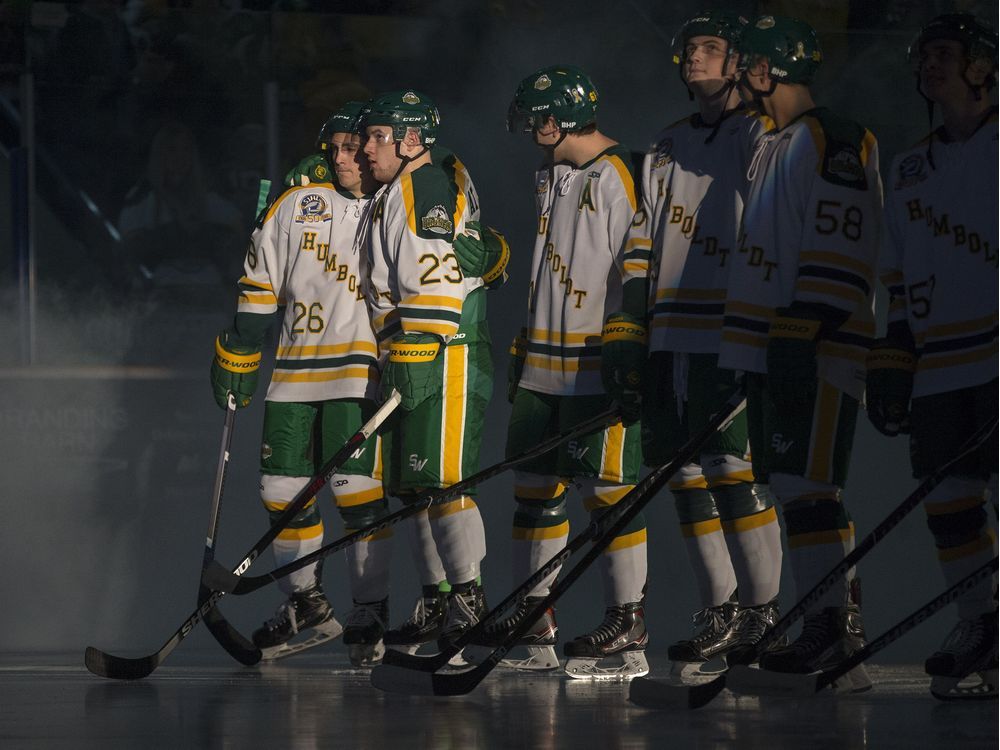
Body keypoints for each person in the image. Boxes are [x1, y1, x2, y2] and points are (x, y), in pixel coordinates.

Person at [619, 11, 785, 679]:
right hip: (671, 332)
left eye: (709, 48)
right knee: (682, 475)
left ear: (739, 59)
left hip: (730, 326)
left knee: (732, 471)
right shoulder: (665, 143)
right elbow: (640, 243)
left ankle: (763, 614)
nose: (694, 58)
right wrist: (631, 327)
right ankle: (721, 613)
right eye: (689, 48)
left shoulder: (761, 134)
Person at [721, 16, 882, 692]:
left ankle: (833, 628)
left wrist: (804, 325)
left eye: (747, 63)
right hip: (774, 347)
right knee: (793, 489)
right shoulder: (770, 142)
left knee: (811, 489)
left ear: (769, 68)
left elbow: (845, 239)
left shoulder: (833, 135)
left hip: (814, 344)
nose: (739, 76)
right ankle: (823, 619)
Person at [209, 101, 393, 665]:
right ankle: (307, 603)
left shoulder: (397, 202)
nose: (341, 158)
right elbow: (260, 281)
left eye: (351, 147)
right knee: (279, 491)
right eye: (332, 148)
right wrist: (239, 348)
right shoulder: (295, 201)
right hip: (293, 369)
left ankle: (371, 610)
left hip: (359, 369)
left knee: (356, 493)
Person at [480, 65, 648, 679]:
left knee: (607, 494)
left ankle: (627, 625)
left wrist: (630, 342)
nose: (529, 130)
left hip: (593, 362)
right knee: (532, 492)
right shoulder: (554, 173)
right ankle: (534, 620)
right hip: (544, 362)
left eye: (534, 119)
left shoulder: (620, 171)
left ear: (557, 120)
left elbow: (639, 265)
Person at [869, 12, 997, 700]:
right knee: (950, 503)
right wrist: (894, 347)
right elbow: (898, 271)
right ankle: (981, 625)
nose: (931, 66)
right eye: (925, 56)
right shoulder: (909, 165)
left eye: (945, 54)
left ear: (982, 63)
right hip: (942, 358)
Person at [361, 90, 494, 654]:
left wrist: (415, 353)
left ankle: (468, 601)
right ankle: (439, 599)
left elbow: (436, 281)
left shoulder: (425, 185)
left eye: (378, 136)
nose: (367, 148)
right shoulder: (401, 186)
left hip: (444, 353)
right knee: (415, 487)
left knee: (441, 483)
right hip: (413, 352)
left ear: (411, 139)